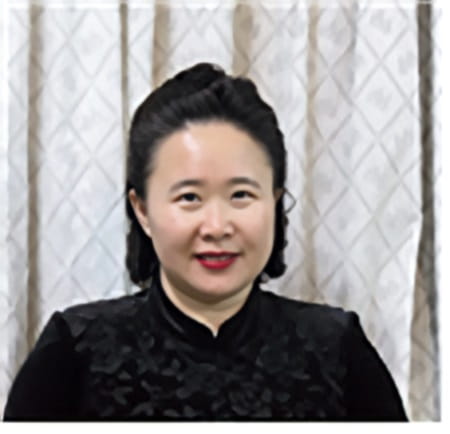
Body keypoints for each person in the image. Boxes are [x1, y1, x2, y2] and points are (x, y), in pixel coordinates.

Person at [3, 63, 408, 421]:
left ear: (275, 202)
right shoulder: (74, 352)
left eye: (241, 195)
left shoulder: (336, 349)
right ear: (142, 210)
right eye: (189, 197)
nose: (216, 226)